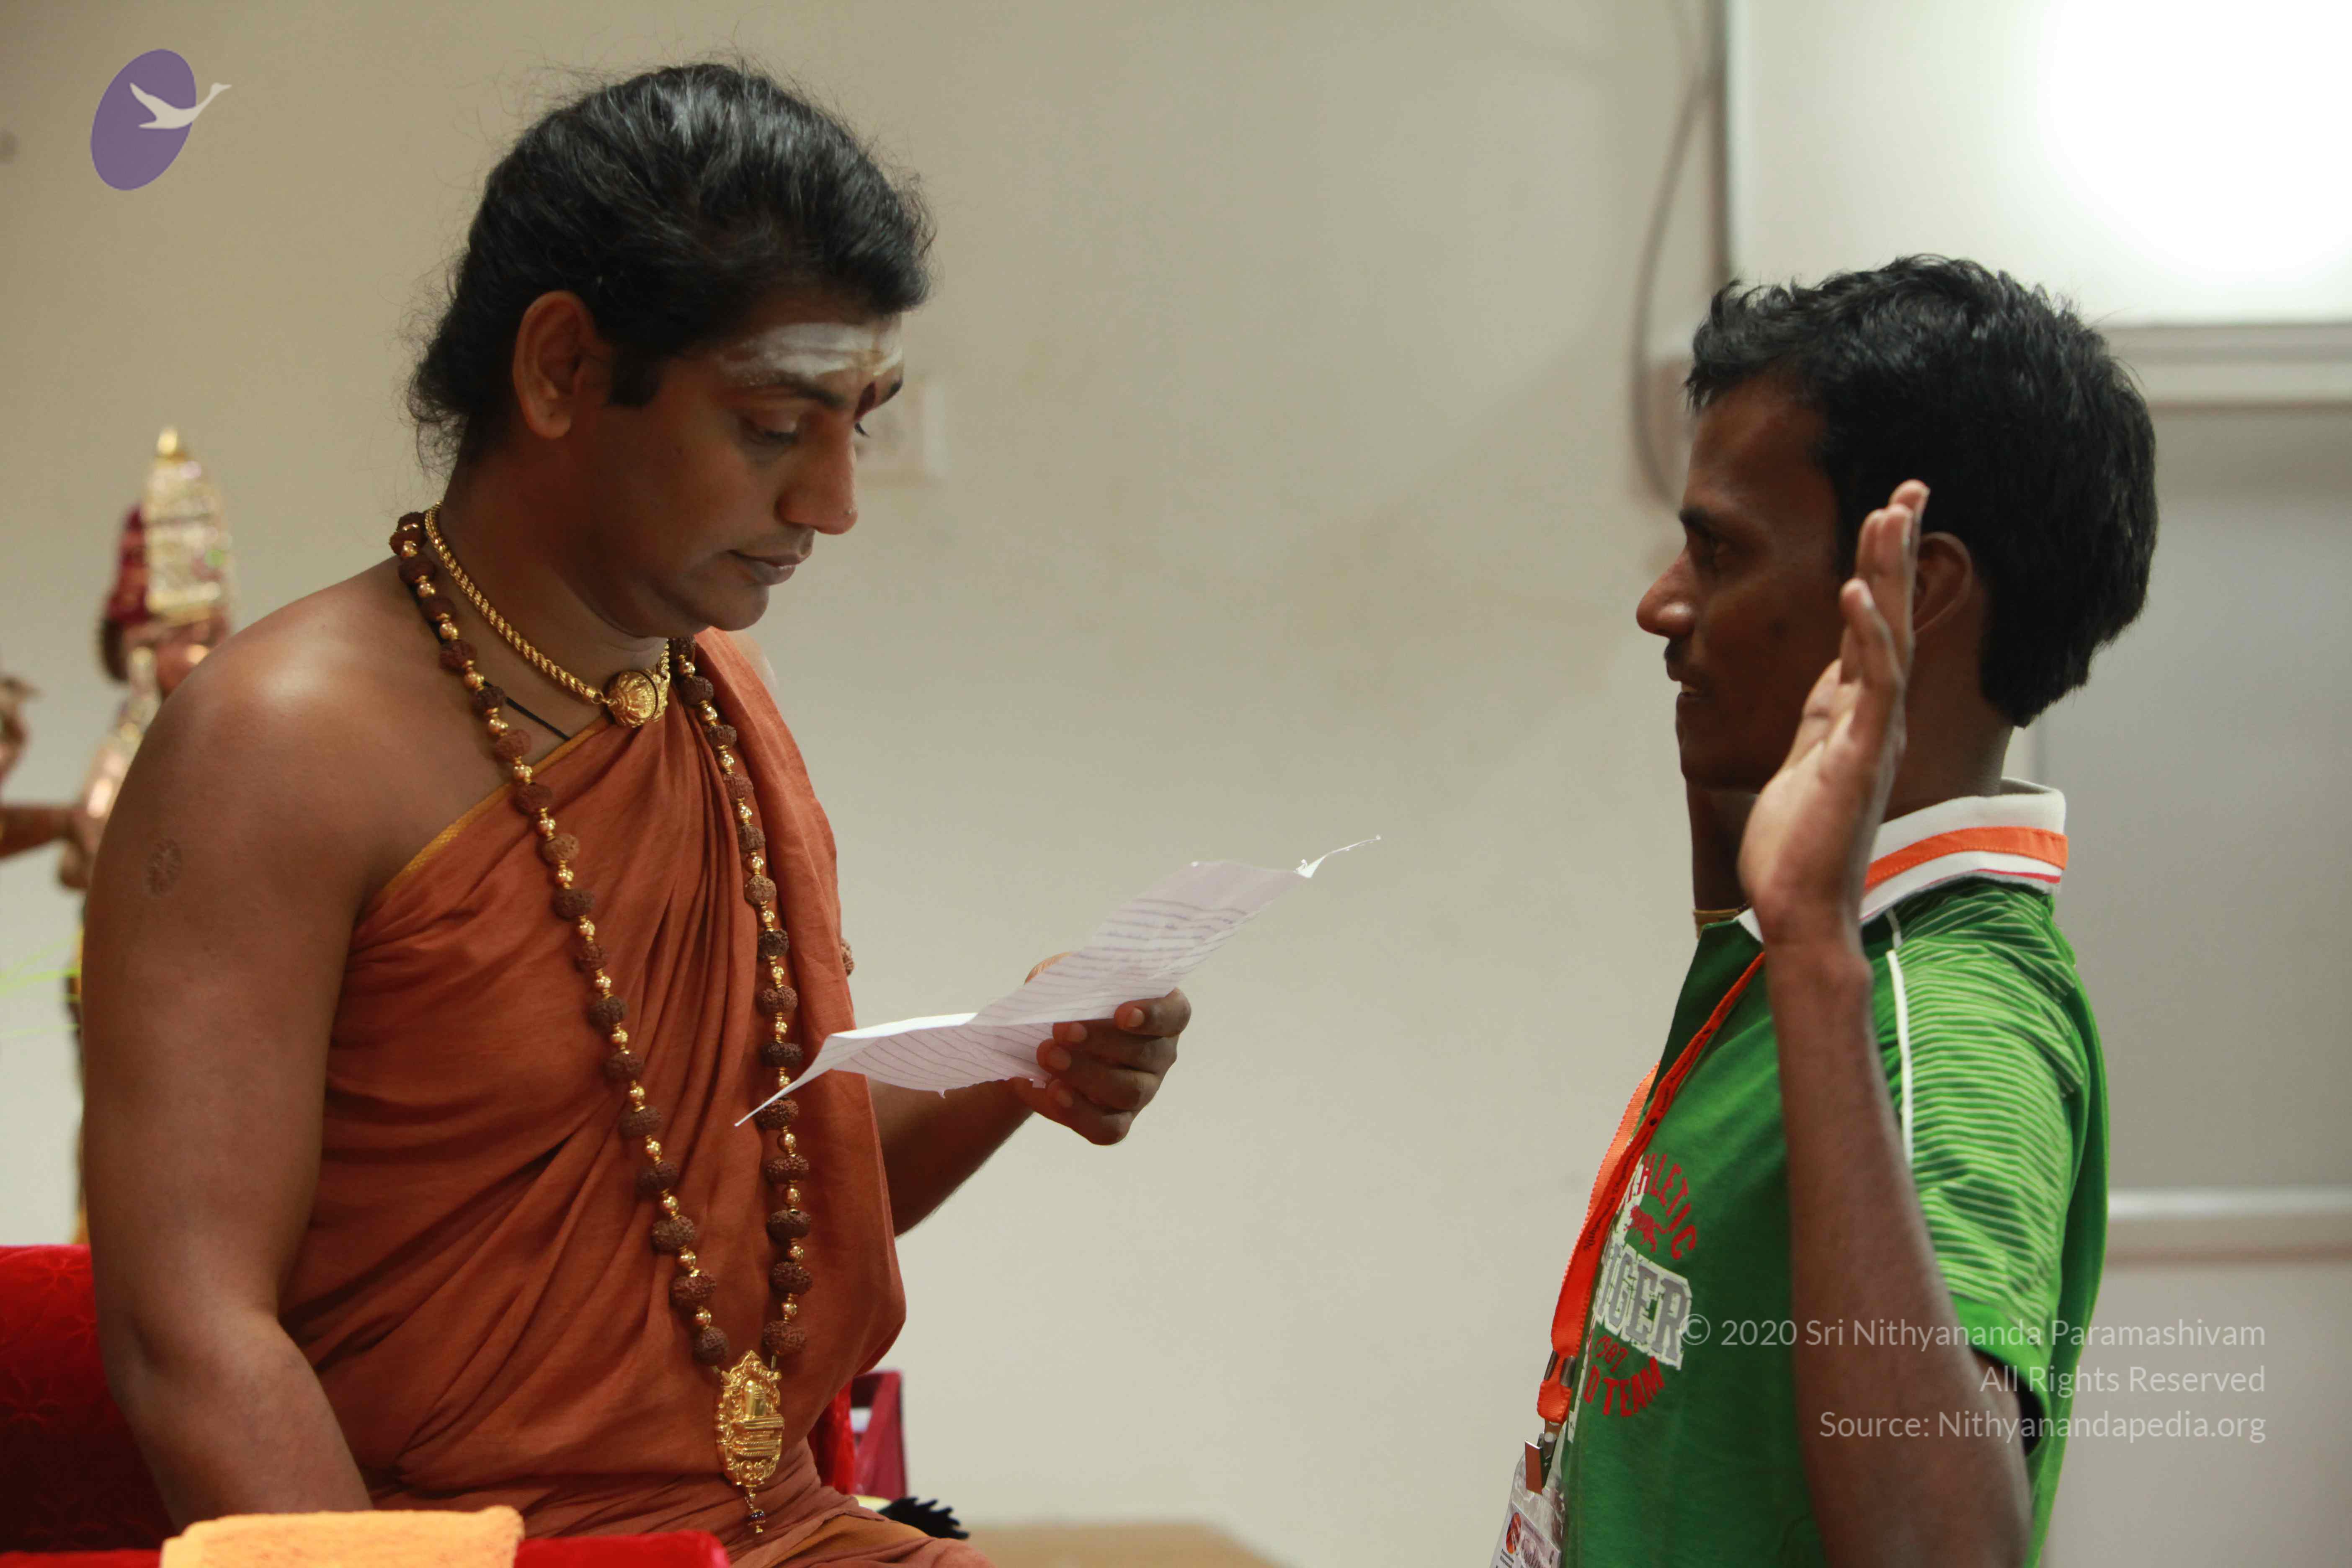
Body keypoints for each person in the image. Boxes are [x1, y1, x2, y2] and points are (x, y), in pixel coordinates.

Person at [80, 64, 1190, 1567]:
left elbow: (756, 1204)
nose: (834, 502)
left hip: (786, 1528)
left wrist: (1018, 1052)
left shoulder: (716, 694)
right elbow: (189, 1333)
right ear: (559, 370)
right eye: (774, 424)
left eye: (859, 426)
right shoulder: (281, 747)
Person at [1496, 259, 2156, 1567]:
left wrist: (1809, 948)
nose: (1662, 603)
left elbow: (1942, 1553)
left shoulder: (1946, 1016)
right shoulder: (1842, 946)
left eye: (1720, 551)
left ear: (1914, 594)